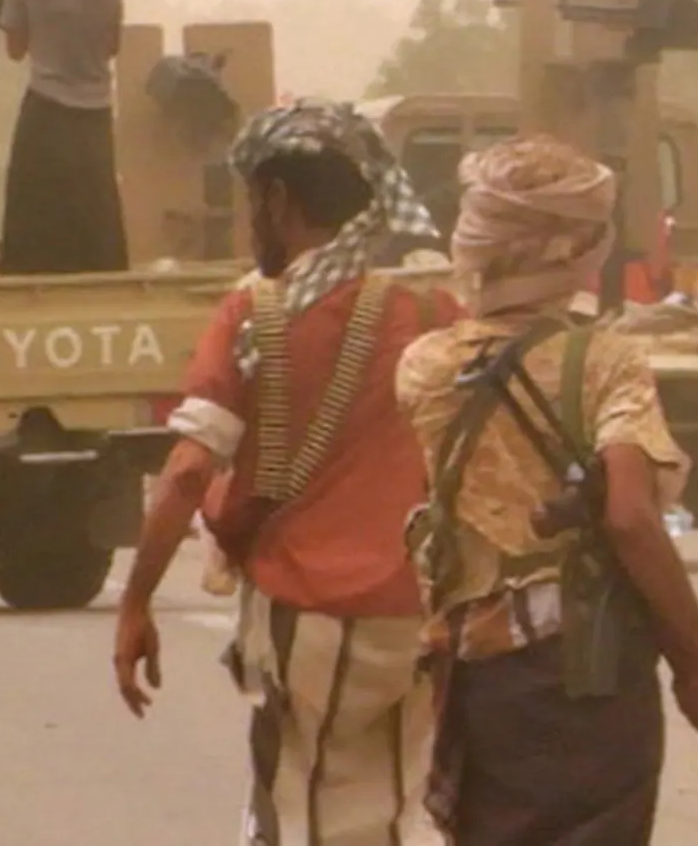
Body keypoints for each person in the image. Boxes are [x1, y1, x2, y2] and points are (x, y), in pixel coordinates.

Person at [114, 99, 452, 846]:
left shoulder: (254, 312)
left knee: (301, 806)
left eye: (251, 205)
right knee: (401, 802)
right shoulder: (431, 307)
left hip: (309, 610)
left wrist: (136, 602)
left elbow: (187, 471)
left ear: (276, 198)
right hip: (421, 610)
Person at [398, 136, 698, 845]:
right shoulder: (607, 362)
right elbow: (631, 519)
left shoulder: (425, 366)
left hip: (473, 671)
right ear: (578, 249)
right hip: (586, 675)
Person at [0, 0, 129, 275]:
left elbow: (15, 49)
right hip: (97, 107)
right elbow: (112, 45)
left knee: (32, 205)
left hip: (47, 103)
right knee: (96, 202)